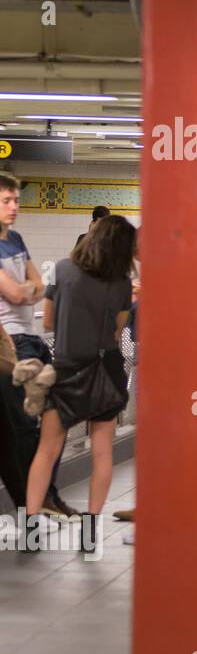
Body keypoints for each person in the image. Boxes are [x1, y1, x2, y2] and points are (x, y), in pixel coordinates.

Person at [25, 215, 136, 554]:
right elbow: (118, 333)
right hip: (105, 371)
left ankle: (30, 530)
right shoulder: (120, 283)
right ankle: (89, 535)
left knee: (46, 450)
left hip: (67, 371)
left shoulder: (61, 269)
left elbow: (47, 319)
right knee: (102, 451)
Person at [0, 172, 74, 518]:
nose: (14, 207)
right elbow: (20, 292)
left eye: (16, 200)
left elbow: (40, 287)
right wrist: (26, 290)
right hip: (10, 345)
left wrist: (28, 289)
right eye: (6, 201)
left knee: (52, 419)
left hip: (31, 339)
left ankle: (42, 496)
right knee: (27, 425)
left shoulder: (16, 239)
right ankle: (37, 498)